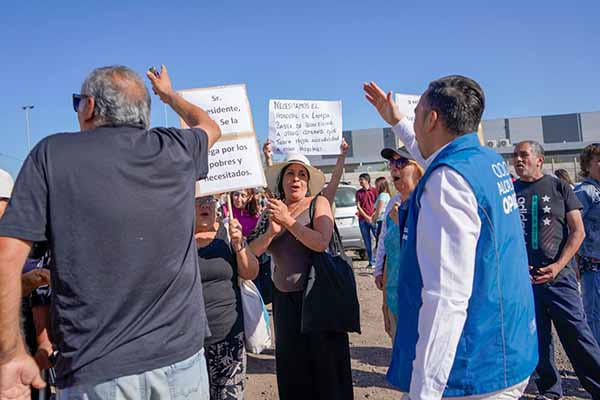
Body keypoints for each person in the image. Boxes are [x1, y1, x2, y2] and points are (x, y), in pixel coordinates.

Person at [0, 65, 221, 399]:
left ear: (89, 107)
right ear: (144, 114)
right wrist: (169, 95)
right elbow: (209, 126)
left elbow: (6, 259)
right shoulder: (176, 148)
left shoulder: (51, 154)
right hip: (182, 365)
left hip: (96, 372)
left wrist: (13, 354)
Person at [364, 76, 537, 399]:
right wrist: (397, 121)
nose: (412, 122)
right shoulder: (484, 161)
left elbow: (446, 297)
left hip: (472, 369)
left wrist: (423, 392)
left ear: (432, 119)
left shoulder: (448, 182)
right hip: (506, 350)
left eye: (415, 114)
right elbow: (433, 157)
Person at [248, 153, 353, 400]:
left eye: (302, 174)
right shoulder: (272, 210)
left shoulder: (318, 204)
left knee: (326, 374)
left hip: (318, 301)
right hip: (284, 304)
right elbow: (252, 252)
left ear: (308, 182)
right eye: (290, 174)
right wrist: (272, 232)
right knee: (292, 372)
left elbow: (320, 242)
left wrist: (289, 221)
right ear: (282, 180)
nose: (296, 179)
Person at [513, 140, 600, 399]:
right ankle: (550, 390)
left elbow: (578, 231)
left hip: (559, 278)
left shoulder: (559, 187)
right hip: (525, 280)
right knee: (538, 338)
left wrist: (559, 265)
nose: (518, 160)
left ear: (539, 159)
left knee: (577, 334)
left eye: (524, 155)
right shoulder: (508, 191)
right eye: (515, 155)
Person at [194, 189, 259, 400]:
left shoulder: (229, 234)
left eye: (209, 200)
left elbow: (251, 272)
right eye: (198, 200)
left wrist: (239, 245)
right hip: (188, 344)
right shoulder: (178, 239)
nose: (205, 205)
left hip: (227, 337)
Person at [373, 147, 423, 342]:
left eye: (401, 162)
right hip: (395, 299)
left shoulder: (427, 203)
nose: (394, 168)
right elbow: (388, 251)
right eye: (392, 163)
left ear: (418, 167)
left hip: (421, 304)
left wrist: (402, 222)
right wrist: (385, 303)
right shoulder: (393, 202)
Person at [575, 143, 600, 345]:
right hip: (594, 265)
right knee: (594, 315)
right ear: (587, 165)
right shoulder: (586, 192)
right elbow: (573, 228)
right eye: (598, 160)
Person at [355, 173, 378, 266]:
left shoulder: (375, 191)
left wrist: (372, 216)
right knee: (367, 241)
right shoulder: (358, 192)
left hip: (374, 219)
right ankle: (371, 261)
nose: (360, 181)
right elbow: (358, 206)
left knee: (379, 239)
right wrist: (366, 217)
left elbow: (379, 204)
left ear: (367, 180)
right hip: (362, 220)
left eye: (361, 179)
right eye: (359, 180)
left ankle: (381, 260)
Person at [372, 176, 391, 248]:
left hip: (381, 222)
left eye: (377, 185)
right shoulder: (386, 195)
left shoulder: (382, 195)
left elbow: (379, 211)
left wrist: (373, 219)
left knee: (380, 244)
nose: (375, 187)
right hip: (385, 221)